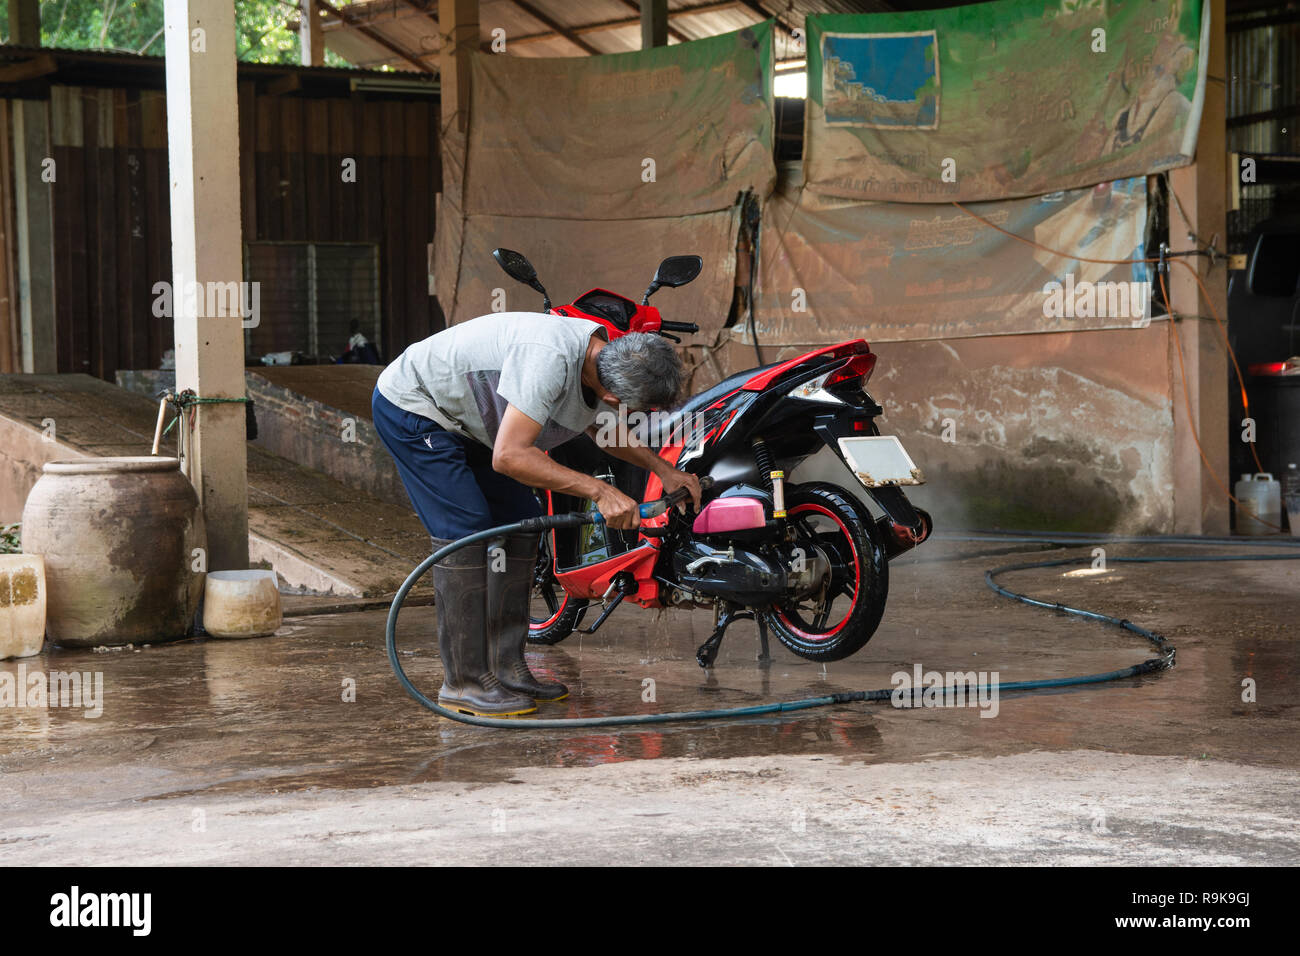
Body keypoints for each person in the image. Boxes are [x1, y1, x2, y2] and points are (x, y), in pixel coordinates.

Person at [372, 311, 701, 717]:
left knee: (522, 520)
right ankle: (464, 682)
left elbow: (604, 429)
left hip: (468, 424)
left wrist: (665, 471)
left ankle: (507, 666)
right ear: (615, 395)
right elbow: (509, 456)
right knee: (466, 530)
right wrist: (599, 491)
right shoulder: (548, 360)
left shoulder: (601, 356)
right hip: (415, 406)